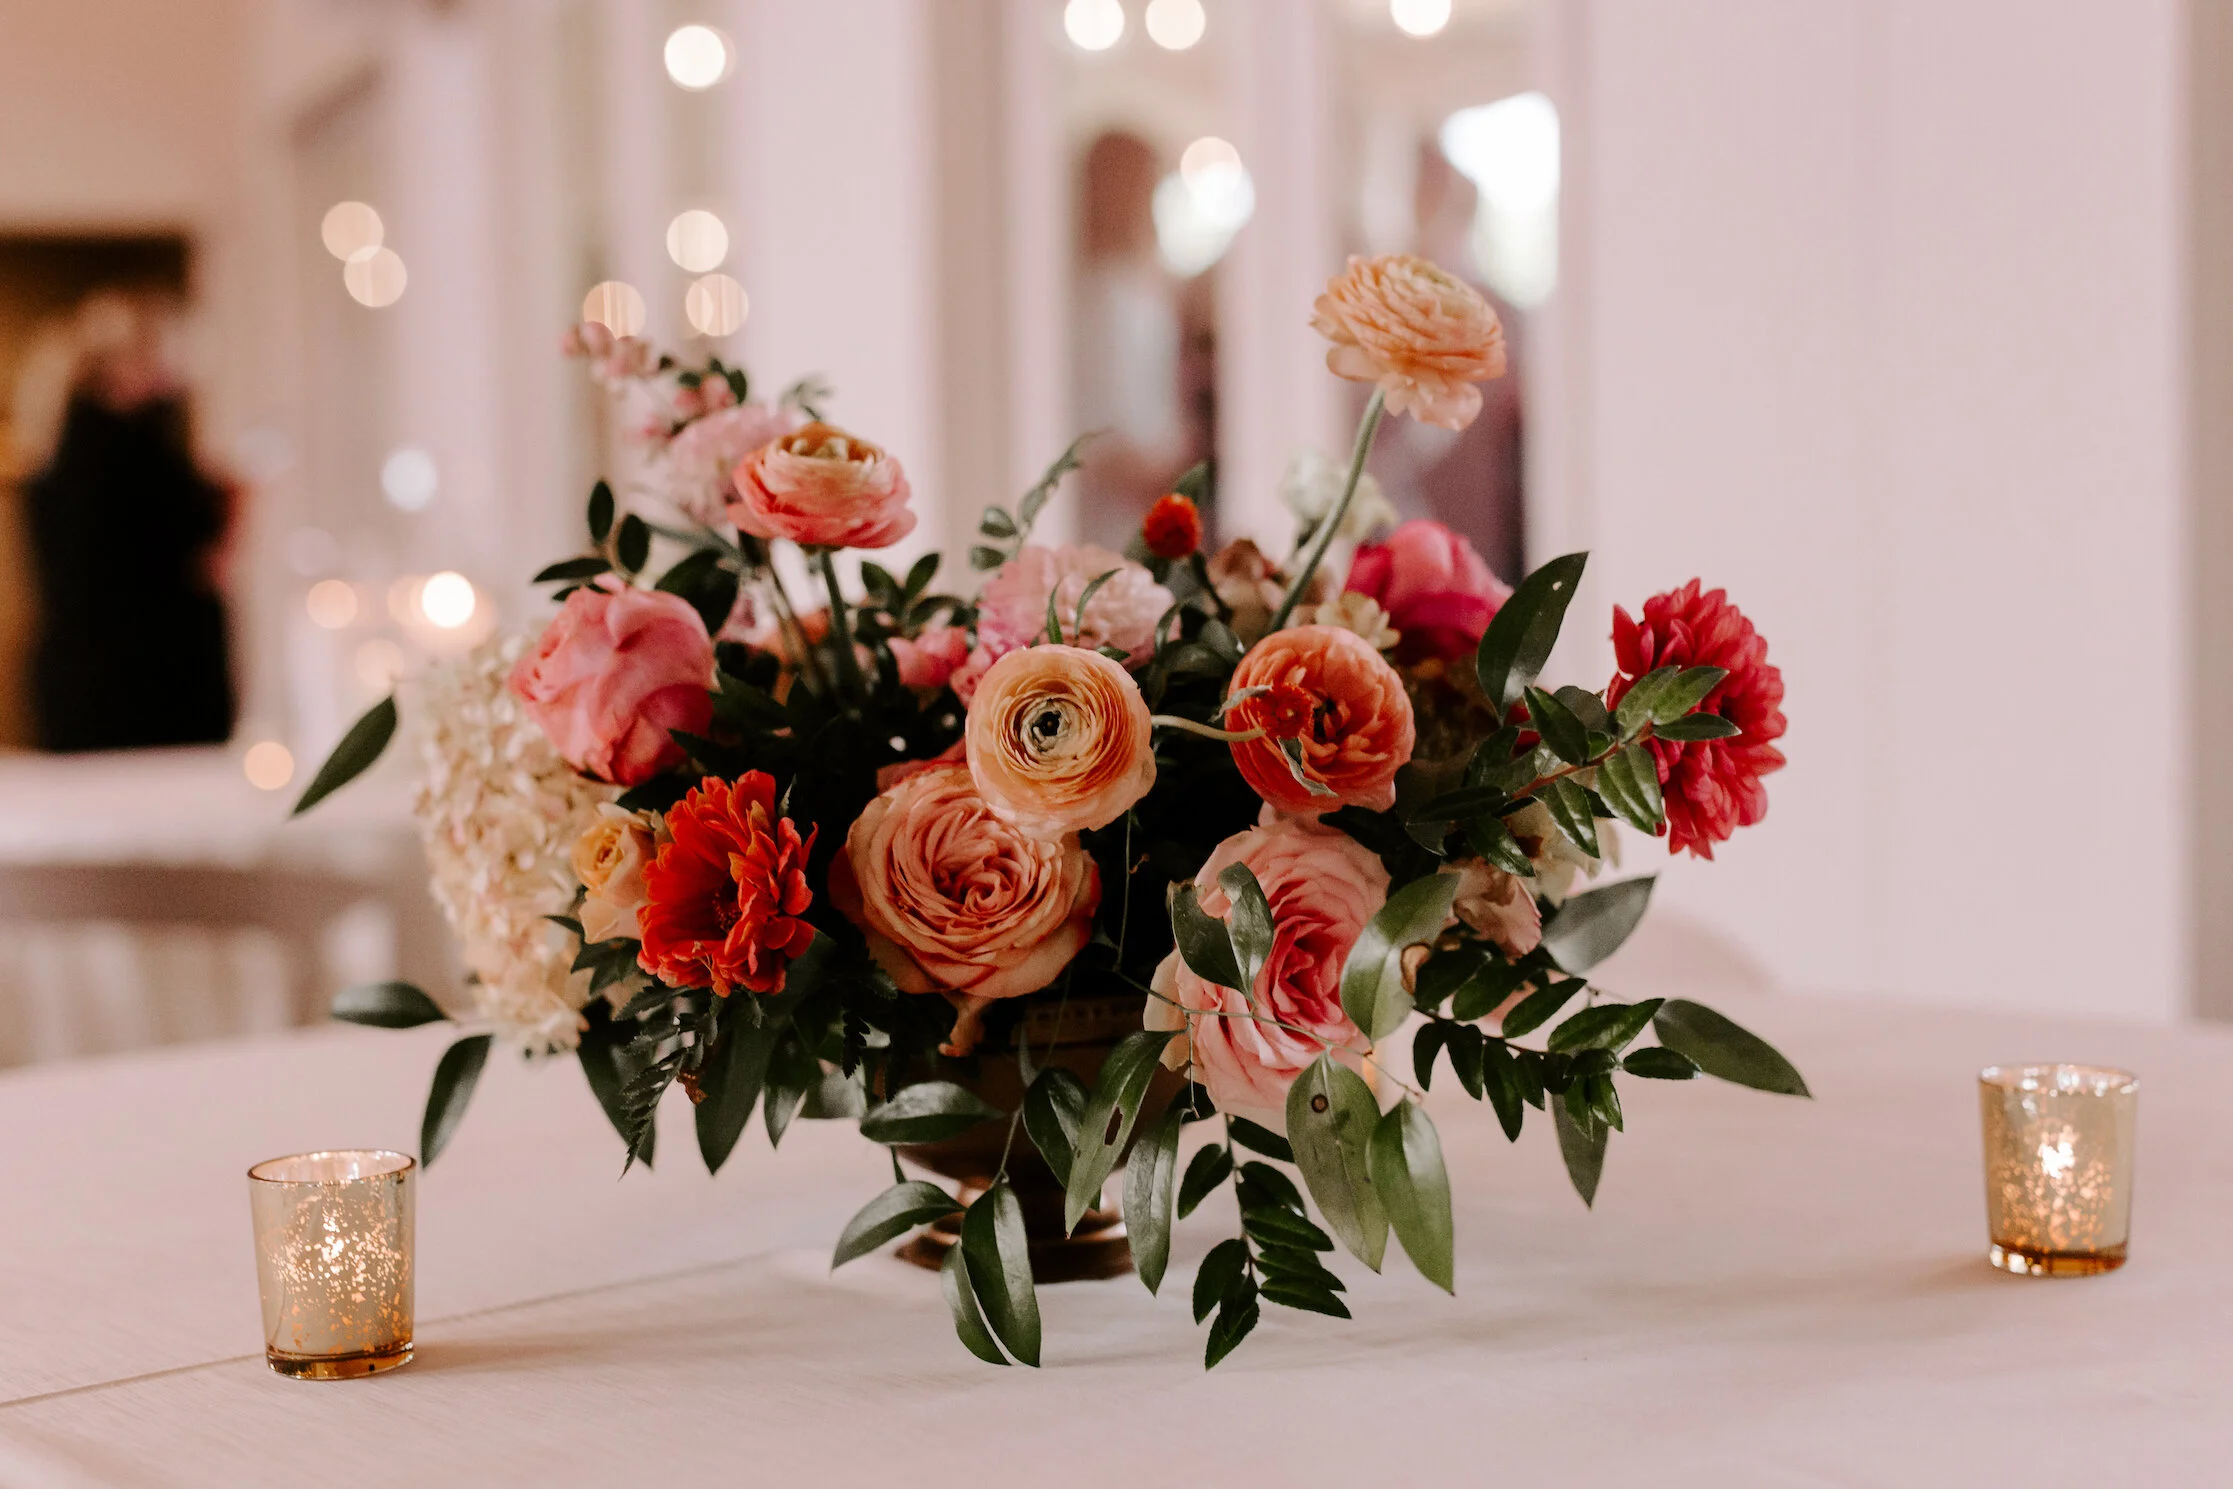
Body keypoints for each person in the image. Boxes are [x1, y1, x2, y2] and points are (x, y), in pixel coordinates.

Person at [14, 294, 237, 751]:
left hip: (77, 682)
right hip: (152, 683)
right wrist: (233, 502)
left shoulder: (52, 448)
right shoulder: (137, 450)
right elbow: (203, 558)